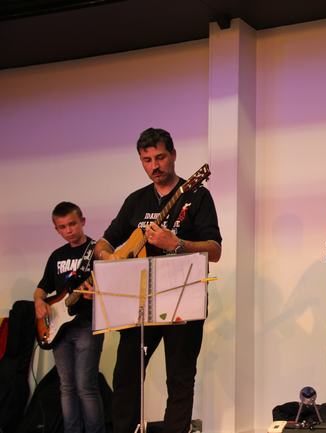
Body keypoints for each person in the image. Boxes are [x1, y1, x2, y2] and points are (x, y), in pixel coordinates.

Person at [94, 127, 222, 433]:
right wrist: (110, 258)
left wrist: (176, 244)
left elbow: (215, 250)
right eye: (147, 160)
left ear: (173, 155)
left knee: (179, 378)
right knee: (126, 376)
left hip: (182, 298)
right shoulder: (135, 200)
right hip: (138, 302)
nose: (155, 165)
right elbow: (103, 243)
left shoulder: (197, 196)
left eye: (161, 157)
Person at [33, 201, 105, 433]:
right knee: (66, 387)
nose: (68, 230)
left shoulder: (97, 251)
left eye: (72, 224)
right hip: (59, 329)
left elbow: (110, 285)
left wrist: (97, 293)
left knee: (86, 386)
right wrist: (39, 302)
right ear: (56, 229)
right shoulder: (57, 256)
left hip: (87, 326)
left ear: (82, 221)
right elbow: (42, 288)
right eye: (62, 227)